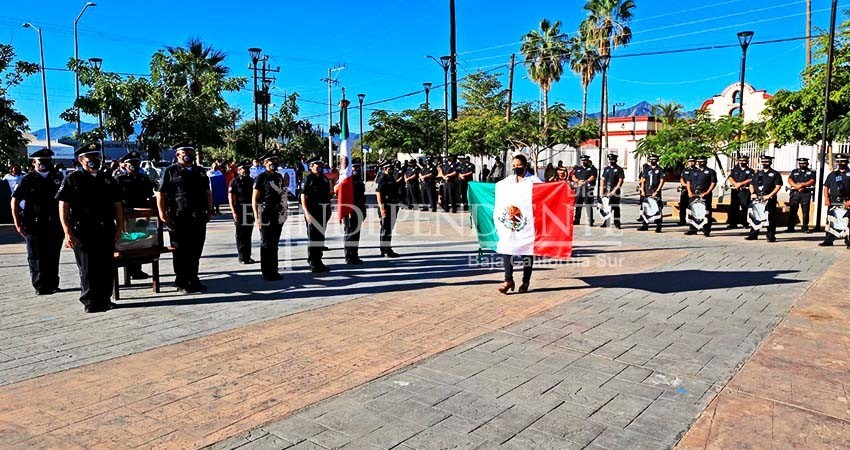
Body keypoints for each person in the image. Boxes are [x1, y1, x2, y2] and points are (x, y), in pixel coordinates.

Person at [56, 143, 124, 313]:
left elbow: (117, 206)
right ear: (81, 160)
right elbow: (63, 205)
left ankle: (105, 298)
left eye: (97, 157)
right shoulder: (73, 179)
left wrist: (119, 228)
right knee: (87, 267)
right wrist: (67, 231)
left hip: (105, 228)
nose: (94, 161)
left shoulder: (107, 179)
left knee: (106, 266)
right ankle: (90, 301)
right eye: (90, 158)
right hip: (83, 230)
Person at [156, 144, 212, 293]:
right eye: (184, 153)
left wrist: (210, 209)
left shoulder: (199, 171)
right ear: (177, 155)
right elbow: (161, 194)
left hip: (198, 216)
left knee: (196, 249)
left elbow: (207, 191)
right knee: (181, 250)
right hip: (179, 217)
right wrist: (162, 213)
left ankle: (193, 279)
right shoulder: (170, 171)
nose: (187, 155)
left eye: (190, 153)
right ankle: (181, 281)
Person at [11, 149, 64, 295]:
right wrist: (17, 222)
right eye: (41, 162)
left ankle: (53, 283)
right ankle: (40, 285)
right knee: (36, 255)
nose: (44, 165)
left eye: (47, 161)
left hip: (54, 223)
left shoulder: (57, 177)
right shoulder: (28, 179)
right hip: (34, 223)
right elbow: (15, 200)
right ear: (34, 163)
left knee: (53, 254)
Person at [497, 154, 541, 295]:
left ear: (525, 165)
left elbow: (545, 194)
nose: (516, 168)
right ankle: (508, 280)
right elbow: (496, 189)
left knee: (526, 252)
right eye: (514, 166)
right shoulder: (508, 181)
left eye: (519, 165)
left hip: (527, 223)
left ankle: (525, 281)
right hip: (510, 221)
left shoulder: (534, 180)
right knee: (506, 248)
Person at [115, 151, 155, 279]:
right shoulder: (119, 179)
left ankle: (137, 269)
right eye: (131, 163)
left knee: (140, 239)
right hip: (126, 215)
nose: (134, 165)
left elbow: (149, 195)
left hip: (142, 215)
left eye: (136, 163)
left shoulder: (143, 178)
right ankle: (130, 269)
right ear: (125, 165)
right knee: (128, 241)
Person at [253, 151, 288, 280]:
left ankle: (274, 270)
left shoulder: (279, 177)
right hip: (265, 214)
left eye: (275, 161)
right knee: (266, 243)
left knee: (274, 243)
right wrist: (257, 217)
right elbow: (255, 199)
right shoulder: (261, 177)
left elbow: (283, 194)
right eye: (270, 161)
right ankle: (267, 272)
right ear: (265, 163)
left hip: (277, 214)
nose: (273, 163)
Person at [301, 158, 332, 272]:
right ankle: (313, 262)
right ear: (311, 166)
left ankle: (319, 260)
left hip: (323, 210)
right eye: (316, 165)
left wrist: (329, 208)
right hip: (312, 211)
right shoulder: (308, 178)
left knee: (320, 236)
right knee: (313, 237)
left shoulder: (324, 178)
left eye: (320, 165)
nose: (319, 167)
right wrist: (306, 212)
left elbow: (327, 195)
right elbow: (303, 196)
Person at [745, 155, 783, 242]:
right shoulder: (758, 173)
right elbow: (751, 184)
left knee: (770, 217)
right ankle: (753, 234)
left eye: (767, 161)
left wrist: (769, 196)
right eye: (763, 161)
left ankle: (770, 236)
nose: (765, 163)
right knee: (755, 216)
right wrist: (753, 193)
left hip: (769, 198)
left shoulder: (775, 174)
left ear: (770, 162)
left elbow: (778, 186)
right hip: (757, 198)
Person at [819, 153, 850, 248]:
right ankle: (828, 240)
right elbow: (826, 187)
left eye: (842, 161)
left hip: (846, 201)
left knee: (848, 222)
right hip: (833, 201)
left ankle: (848, 241)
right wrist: (826, 199)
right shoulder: (832, 174)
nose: (840, 163)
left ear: (847, 162)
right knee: (831, 221)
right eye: (838, 161)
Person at [228, 161, 256, 264]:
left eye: (248, 169)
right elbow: (230, 197)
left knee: (248, 234)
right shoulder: (234, 181)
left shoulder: (251, 181)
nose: (246, 171)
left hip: (249, 209)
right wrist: (233, 211)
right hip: (239, 209)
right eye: (244, 169)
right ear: (239, 170)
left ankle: (247, 256)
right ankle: (242, 257)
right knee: (240, 234)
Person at [340, 158, 367, 264]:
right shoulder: (347, 180)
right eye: (354, 167)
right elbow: (344, 196)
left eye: (358, 167)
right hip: (349, 210)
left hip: (359, 209)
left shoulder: (359, 180)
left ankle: (354, 255)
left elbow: (362, 196)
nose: (356, 169)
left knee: (356, 234)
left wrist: (363, 210)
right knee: (349, 233)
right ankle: (349, 256)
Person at [685, 156, 717, 237]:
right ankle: (692, 229)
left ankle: (706, 230)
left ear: (706, 162)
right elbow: (688, 182)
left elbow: (713, 183)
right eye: (699, 161)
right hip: (693, 194)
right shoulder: (693, 171)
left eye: (702, 161)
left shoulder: (710, 171)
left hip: (705, 194)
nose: (700, 163)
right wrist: (689, 192)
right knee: (693, 211)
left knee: (706, 212)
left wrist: (707, 192)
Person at [375, 161, 401, 257]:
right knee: (385, 228)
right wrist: (382, 208)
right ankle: (384, 249)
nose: (391, 170)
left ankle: (387, 248)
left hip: (393, 205)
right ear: (385, 169)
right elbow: (378, 193)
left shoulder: (391, 178)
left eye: (391, 168)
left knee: (389, 228)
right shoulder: (382, 178)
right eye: (389, 168)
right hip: (385, 206)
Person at [787, 157, 816, 233]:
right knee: (793, 211)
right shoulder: (794, 171)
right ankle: (790, 227)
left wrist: (803, 185)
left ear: (807, 164)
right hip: (795, 193)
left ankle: (805, 227)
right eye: (800, 163)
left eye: (804, 163)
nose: (802, 165)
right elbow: (790, 180)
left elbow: (812, 181)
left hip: (805, 193)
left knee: (805, 211)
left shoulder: (811, 172)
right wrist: (796, 186)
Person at [638, 154, 665, 233]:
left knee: (657, 208)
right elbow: (643, 180)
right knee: (645, 208)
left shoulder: (660, 169)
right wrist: (642, 190)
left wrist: (657, 191)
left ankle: (658, 225)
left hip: (655, 192)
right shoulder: (646, 169)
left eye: (654, 160)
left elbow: (662, 181)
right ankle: (645, 225)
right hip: (647, 191)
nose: (653, 161)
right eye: (651, 160)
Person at [726, 155, 753, 229]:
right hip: (735, 191)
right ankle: (733, 223)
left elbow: (751, 179)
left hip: (745, 191)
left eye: (744, 161)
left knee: (745, 207)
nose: (742, 162)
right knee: (733, 207)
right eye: (741, 160)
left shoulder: (750, 170)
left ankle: (745, 223)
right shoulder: (735, 170)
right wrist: (735, 184)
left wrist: (741, 184)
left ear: (747, 161)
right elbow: (730, 177)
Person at [571, 155, 597, 226]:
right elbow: (573, 176)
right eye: (582, 160)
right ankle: (576, 220)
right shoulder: (577, 168)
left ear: (588, 160)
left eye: (585, 160)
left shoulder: (592, 168)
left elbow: (593, 177)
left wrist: (585, 182)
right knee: (578, 205)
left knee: (588, 205)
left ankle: (590, 220)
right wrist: (578, 181)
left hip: (588, 190)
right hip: (579, 189)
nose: (584, 161)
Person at [601, 153, 624, 228]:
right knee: (606, 207)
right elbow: (603, 180)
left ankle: (617, 223)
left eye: (613, 160)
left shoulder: (619, 169)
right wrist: (602, 190)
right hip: (606, 190)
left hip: (615, 191)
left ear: (616, 160)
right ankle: (606, 221)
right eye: (610, 160)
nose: (612, 161)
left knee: (616, 207)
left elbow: (620, 181)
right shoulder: (606, 169)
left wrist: (614, 190)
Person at [678, 157, 696, 225]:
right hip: (684, 190)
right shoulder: (685, 170)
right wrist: (684, 184)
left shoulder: (696, 170)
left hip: (692, 190)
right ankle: (682, 220)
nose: (691, 162)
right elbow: (681, 178)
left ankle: (691, 220)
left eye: (692, 161)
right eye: (690, 161)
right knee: (682, 206)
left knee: (692, 206)